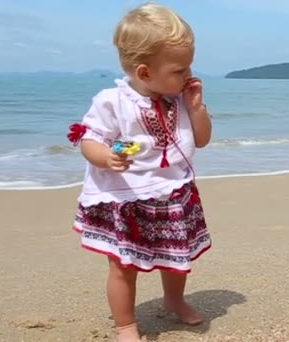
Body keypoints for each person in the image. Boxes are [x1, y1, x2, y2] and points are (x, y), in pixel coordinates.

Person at [66, 3, 212, 341]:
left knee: (178, 256)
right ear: (145, 72)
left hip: (173, 191)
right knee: (123, 265)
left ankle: (174, 300)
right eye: (179, 69)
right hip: (127, 198)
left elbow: (201, 140)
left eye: (189, 65)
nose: (188, 75)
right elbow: (88, 138)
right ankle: (126, 324)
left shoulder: (180, 99)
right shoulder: (112, 101)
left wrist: (196, 108)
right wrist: (105, 157)